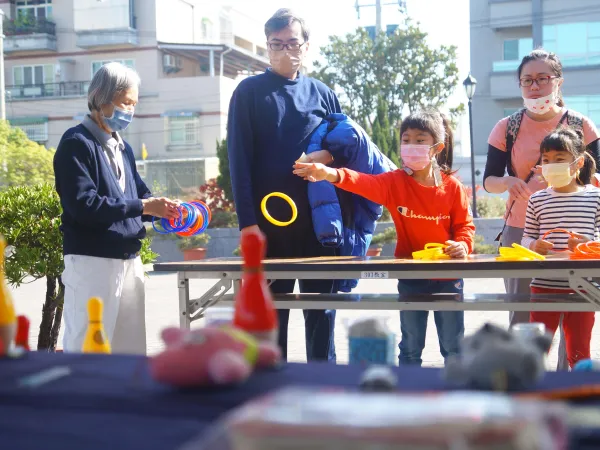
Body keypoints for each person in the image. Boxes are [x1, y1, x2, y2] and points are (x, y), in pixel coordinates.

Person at [294, 110, 475, 366]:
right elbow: (361, 181)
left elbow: (465, 226)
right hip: (411, 279)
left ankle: (456, 389)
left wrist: (463, 245)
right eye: (406, 139)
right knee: (410, 347)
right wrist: (328, 173)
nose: (411, 146)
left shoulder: (453, 187)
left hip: (448, 279)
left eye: (420, 140)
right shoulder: (394, 182)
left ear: (437, 148)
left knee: (453, 347)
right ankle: (407, 387)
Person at [227, 9, 341, 362]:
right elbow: (238, 162)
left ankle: (321, 385)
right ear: (267, 46)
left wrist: (324, 156)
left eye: (292, 43)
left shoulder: (323, 94)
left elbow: (346, 150)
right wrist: (248, 224)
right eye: (276, 44)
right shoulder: (248, 93)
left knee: (321, 314)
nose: (285, 50)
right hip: (270, 227)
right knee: (271, 319)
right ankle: (270, 387)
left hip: (319, 225)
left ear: (306, 46)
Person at [483, 49, 600, 369]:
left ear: (558, 82)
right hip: (521, 232)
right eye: (527, 80)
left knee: (575, 316)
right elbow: (489, 181)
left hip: (577, 236)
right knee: (523, 312)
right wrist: (507, 182)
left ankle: (567, 381)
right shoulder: (506, 127)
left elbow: (598, 176)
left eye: (542, 79)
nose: (534, 87)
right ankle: (523, 378)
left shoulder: (582, 125)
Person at [54, 62, 179, 354]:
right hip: (92, 261)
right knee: (87, 347)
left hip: (129, 259)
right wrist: (144, 205)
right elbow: (84, 205)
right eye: (126, 102)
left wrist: (166, 208)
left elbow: (139, 194)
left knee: (130, 350)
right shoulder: (76, 143)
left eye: (134, 104)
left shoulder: (123, 147)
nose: (130, 111)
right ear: (102, 99)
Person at [522, 127, 599, 368]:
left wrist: (589, 245)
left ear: (578, 163)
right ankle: (534, 388)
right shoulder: (537, 199)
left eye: (559, 159)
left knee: (579, 352)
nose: (551, 165)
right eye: (546, 160)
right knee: (535, 353)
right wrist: (534, 245)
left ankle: (579, 388)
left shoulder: (595, 197)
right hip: (543, 285)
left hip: (584, 288)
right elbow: (526, 239)